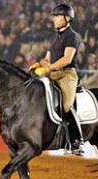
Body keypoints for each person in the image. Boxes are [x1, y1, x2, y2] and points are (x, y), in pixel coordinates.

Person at [29, 4, 83, 154]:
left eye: (58, 16)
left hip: (67, 75)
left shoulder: (73, 36)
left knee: (66, 105)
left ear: (67, 18)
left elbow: (66, 59)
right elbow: (48, 58)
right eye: (54, 16)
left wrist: (47, 68)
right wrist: (39, 64)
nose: (54, 19)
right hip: (53, 74)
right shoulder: (55, 37)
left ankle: (77, 141)